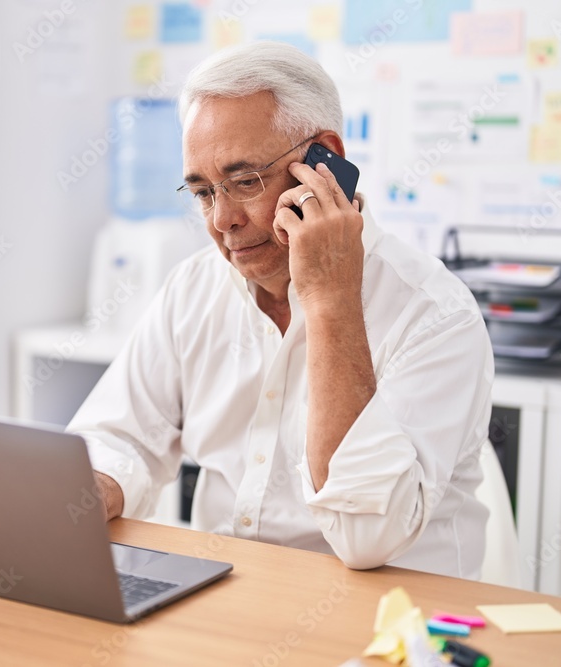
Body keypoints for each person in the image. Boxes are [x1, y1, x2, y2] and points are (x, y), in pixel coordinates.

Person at [67, 41, 494, 579]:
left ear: (326, 163)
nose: (222, 219)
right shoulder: (195, 287)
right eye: (203, 192)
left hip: (389, 632)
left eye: (245, 182)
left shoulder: (433, 313)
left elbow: (368, 537)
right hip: (225, 605)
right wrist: (94, 488)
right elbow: (118, 435)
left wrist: (330, 299)